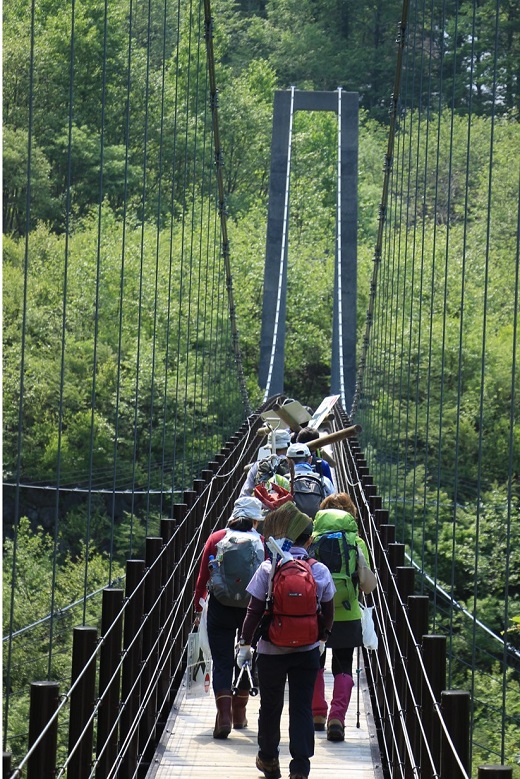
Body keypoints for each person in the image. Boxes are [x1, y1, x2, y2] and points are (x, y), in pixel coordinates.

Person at [237, 504, 335, 779]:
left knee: (271, 705)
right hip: (307, 650)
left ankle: (269, 759)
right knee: (301, 707)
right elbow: (329, 611)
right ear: (309, 540)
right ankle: (300, 767)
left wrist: (245, 644)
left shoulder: (269, 568)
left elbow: (254, 610)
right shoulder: (319, 571)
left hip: (271, 649)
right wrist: (323, 638)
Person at [193, 495, 266, 738]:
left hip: (220, 606)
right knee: (246, 657)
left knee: (222, 661)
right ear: (255, 521)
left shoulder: (216, 538)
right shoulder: (261, 542)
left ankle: (223, 716)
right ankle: (240, 713)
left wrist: (198, 608)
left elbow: (203, 578)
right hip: (251, 609)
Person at [310, 492, 376, 741]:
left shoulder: (312, 539)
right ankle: (336, 718)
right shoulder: (356, 542)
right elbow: (367, 585)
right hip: (348, 612)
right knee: (344, 665)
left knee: (315, 662)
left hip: (316, 611)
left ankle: (317, 714)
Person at [240, 429, 292, 497]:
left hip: (262, 502)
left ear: (269, 447)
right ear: (288, 447)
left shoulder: (258, 465)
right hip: (287, 503)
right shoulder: (293, 464)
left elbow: (245, 494)